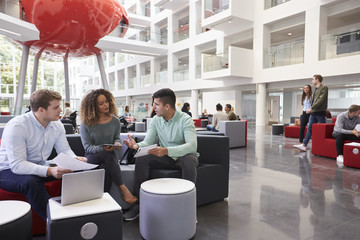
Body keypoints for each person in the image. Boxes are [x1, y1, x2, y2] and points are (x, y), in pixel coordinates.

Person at [0, 89, 87, 220]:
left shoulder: (57, 124)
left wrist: (75, 160)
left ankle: (80, 215)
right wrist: (50, 170)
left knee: (75, 172)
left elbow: (64, 150)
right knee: (31, 182)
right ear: (41, 110)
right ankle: (56, 223)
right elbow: (18, 165)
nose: (61, 111)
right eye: (56, 107)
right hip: (8, 170)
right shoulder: (18, 126)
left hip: (38, 165)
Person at [122, 88, 198, 221]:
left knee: (188, 159)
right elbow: (148, 142)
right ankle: (139, 205)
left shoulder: (185, 119)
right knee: (142, 157)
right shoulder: (156, 120)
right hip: (166, 158)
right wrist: (136, 146)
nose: (153, 107)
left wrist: (167, 150)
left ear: (167, 106)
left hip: (183, 157)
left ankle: (188, 207)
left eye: (156, 104)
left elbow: (192, 146)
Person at [79, 89, 137, 204]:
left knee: (106, 166)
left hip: (110, 157)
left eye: (106, 101)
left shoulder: (115, 121)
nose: (106, 105)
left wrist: (117, 143)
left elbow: (116, 138)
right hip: (92, 158)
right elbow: (87, 147)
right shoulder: (86, 123)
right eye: (101, 103)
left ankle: (102, 204)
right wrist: (103, 148)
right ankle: (123, 189)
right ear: (93, 107)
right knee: (107, 154)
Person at [294, 75, 328, 151]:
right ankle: (304, 144)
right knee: (309, 129)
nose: (312, 81)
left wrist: (311, 108)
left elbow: (320, 100)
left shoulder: (324, 88)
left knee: (321, 130)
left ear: (317, 80)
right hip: (313, 112)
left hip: (320, 112)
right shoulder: (316, 89)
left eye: (313, 79)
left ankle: (321, 146)